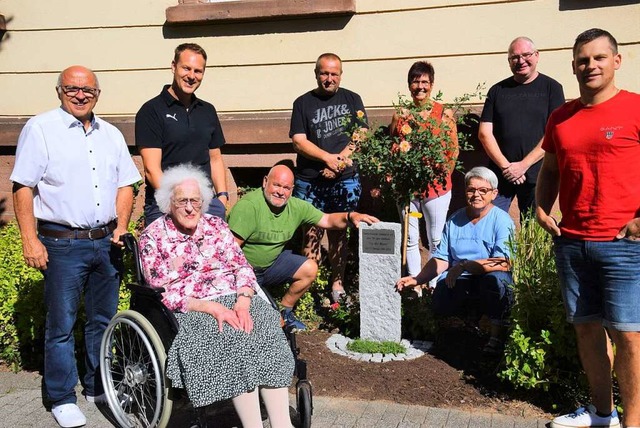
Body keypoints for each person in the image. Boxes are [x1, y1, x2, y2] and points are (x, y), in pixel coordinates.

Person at [10, 66, 141, 428]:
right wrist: (29, 239)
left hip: (105, 243)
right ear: (59, 91)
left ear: (98, 94)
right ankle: (61, 396)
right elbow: (23, 186)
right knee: (62, 324)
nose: (80, 95)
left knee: (102, 320)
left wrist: (123, 225)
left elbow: (127, 183)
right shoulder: (41, 129)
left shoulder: (110, 134)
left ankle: (97, 385)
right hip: (62, 244)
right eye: (72, 88)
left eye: (88, 90)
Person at [536, 29, 640, 428]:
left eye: (599, 58)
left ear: (616, 61)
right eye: (582, 59)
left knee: (629, 336)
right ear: (574, 66)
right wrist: (542, 209)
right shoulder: (561, 117)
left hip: (624, 245)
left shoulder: (634, 108)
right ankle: (602, 414)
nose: (590, 66)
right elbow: (550, 169)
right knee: (587, 332)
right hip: (573, 241)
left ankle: (632, 422)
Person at [139, 164, 294, 428]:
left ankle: (282, 424)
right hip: (192, 308)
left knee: (265, 326)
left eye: (195, 201)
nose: (190, 208)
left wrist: (244, 301)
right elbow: (162, 289)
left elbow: (241, 266)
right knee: (231, 337)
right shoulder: (153, 237)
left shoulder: (216, 226)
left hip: (235, 296)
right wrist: (211, 307)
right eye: (182, 201)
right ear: (168, 203)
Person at [227, 164, 378, 331]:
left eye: (286, 188)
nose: (280, 192)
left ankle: (285, 312)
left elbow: (327, 220)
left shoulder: (296, 207)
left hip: (271, 266)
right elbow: (229, 252)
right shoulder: (249, 206)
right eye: (276, 185)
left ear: (292, 190)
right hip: (243, 272)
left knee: (310, 268)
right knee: (249, 324)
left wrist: (352, 216)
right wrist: (244, 282)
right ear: (265, 182)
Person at [396, 167, 515, 354]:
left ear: (494, 194)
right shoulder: (455, 219)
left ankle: (496, 335)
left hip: (488, 277)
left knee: (500, 280)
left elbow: (504, 262)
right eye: (471, 190)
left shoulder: (502, 220)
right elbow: (442, 258)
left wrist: (465, 265)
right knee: (441, 294)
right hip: (459, 278)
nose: (476, 195)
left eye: (483, 190)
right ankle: (459, 333)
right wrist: (417, 279)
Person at [290, 52, 368, 303]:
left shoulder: (352, 98)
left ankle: (337, 284)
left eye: (334, 73)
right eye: (324, 73)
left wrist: (338, 162)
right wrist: (327, 158)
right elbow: (299, 142)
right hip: (310, 179)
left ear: (340, 75)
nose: (329, 78)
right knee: (310, 232)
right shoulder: (302, 103)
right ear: (316, 74)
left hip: (344, 179)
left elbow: (362, 133)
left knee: (339, 233)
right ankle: (307, 286)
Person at [136, 43, 228, 227]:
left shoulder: (207, 111)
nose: (191, 76)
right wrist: (181, 204)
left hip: (206, 204)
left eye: (198, 71)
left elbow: (215, 159)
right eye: (186, 68)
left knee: (211, 256)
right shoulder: (151, 111)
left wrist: (222, 197)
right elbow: (152, 170)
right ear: (173, 67)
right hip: (164, 204)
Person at [478, 36, 564, 216]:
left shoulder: (552, 88)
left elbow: (555, 133)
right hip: (500, 175)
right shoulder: (497, 91)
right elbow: (485, 133)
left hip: (537, 174)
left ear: (537, 56)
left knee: (533, 230)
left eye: (526, 55)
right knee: (490, 224)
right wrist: (506, 167)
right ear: (509, 61)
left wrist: (523, 165)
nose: (521, 61)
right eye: (514, 57)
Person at [389, 61, 459, 277]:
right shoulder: (400, 114)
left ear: (432, 84)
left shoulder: (444, 114)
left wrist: (440, 173)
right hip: (406, 187)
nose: (420, 86)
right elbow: (393, 144)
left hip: (435, 187)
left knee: (435, 238)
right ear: (409, 85)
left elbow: (453, 151)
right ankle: (415, 286)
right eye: (415, 81)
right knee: (410, 238)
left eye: (424, 82)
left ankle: (433, 285)